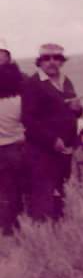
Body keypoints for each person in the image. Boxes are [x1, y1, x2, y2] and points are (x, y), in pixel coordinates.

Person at [21, 43, 83, 221]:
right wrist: (52, 140)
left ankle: (59, 236)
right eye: (46, 58)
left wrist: (77, 109)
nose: (51, 62)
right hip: (41, 154)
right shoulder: (32, 84)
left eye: (56, 58)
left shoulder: (66, 81)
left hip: (64, 153)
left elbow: (72, 111)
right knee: (43, 201)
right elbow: (28, 120)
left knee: (61, 200)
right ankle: (41, 236)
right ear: (39, 62)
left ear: (62, 61)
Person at [0, 62, 25, 234]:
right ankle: (17, 225)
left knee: (3, 192)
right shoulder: (20, 101)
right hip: (17, 149)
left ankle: (5, 225)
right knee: (16, 190)